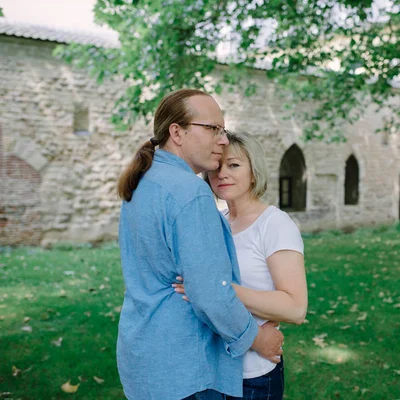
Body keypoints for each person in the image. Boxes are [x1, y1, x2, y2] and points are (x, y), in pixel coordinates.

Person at [116, 89, 283, 400]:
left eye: (223, 129)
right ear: (177, 132)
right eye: (213, 128)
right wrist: (257, 340)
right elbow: (210, 293)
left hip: (142, 357)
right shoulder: (190, 193)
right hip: (184, 367)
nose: (222, 139)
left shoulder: (144, 181)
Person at [173, 131, 308, 400]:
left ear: (254, 172)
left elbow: (295, 308)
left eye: (234, 165)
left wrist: (217, 291)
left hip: (252, 375)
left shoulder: (275, 225)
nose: (222, 173)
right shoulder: (215, 221)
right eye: (217, 166)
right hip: (210, 370)